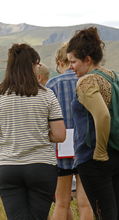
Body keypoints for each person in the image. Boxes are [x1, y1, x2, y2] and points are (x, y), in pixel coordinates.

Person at [0, 43, 66, 219]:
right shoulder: (47, 95)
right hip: (42, 166)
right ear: (32, 65)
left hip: (9, 166)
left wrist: (11, 138)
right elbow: (60, 135)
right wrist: (39, 136)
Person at [67, 27, 119, 219]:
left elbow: (103, 116)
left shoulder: (86, 81)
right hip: (116, 153)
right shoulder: (112, 76)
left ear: (87, 60)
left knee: (103, 214)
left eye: (73, 62)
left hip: (94, 158)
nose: (70, 67)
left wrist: (99, 152)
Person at [46, 42, 93, 219]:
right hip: (86, 146)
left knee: (62, 203)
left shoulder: (52, 84)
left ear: (60, 62)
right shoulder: (87, 80)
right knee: (85, 202)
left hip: (60, 148)